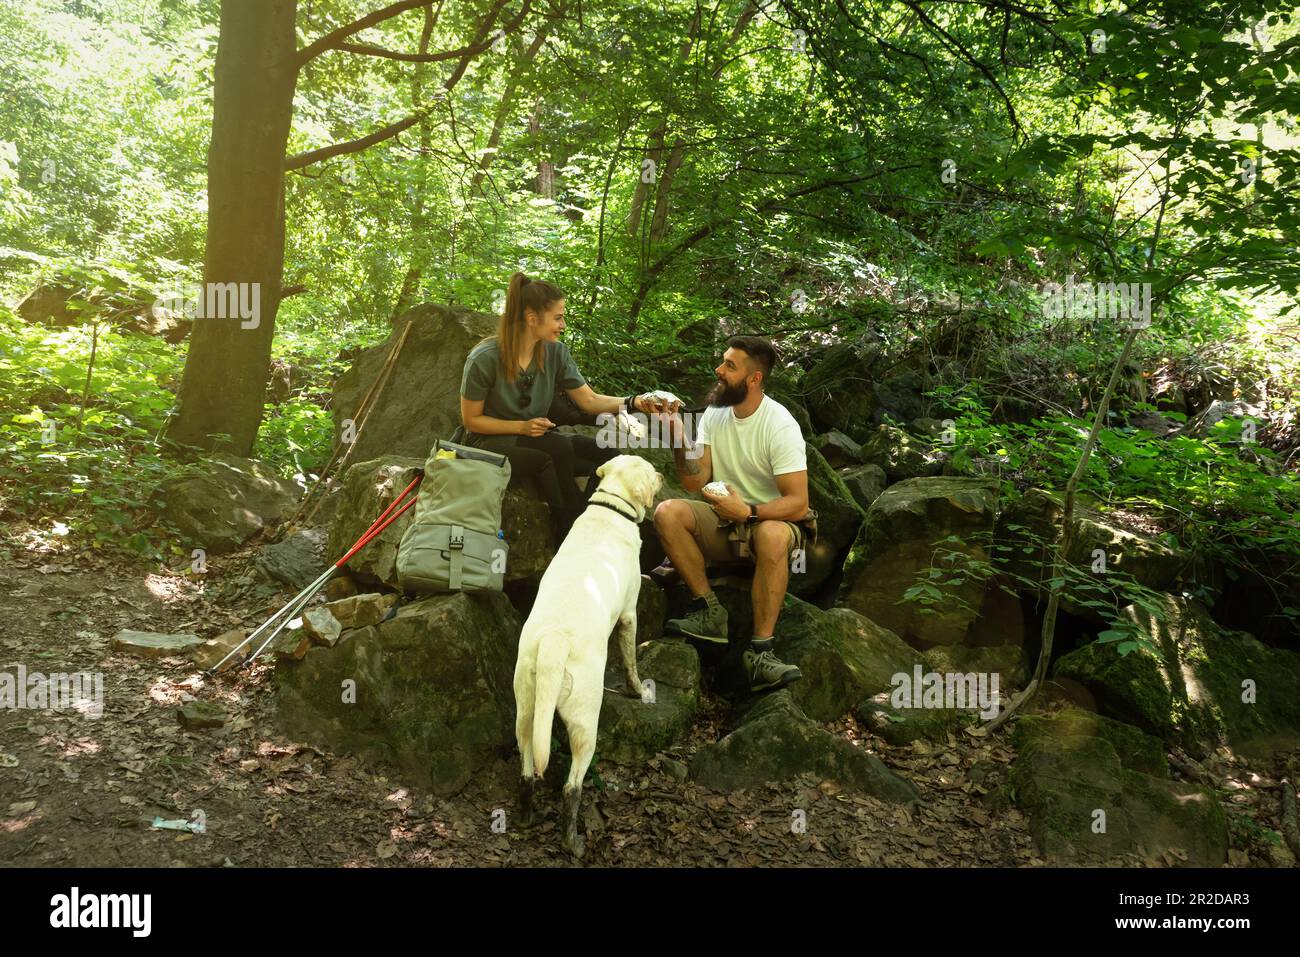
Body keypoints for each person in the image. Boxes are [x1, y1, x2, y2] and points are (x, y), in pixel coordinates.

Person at [459, 271, 676, 544]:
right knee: (557, 450)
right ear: (531, 318)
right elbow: (472, 421)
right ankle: (570, 529)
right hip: (489, 440)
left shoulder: (554, 352)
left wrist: (635, 402)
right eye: (558, 317)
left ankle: (595, 517)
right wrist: (522, 426)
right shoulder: (484, 358)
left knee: (608, 456)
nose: (563, 325)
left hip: (535, 437)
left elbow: (589, 400)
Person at [652, 336, 810, 692]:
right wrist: (678, 434)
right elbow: (694, 482)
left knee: (770, 533)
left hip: (772, 523)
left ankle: (761, 654)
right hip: (725, 519)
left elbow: (798, 503)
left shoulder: (779, 424)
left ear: (754, 379)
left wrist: (749, 511)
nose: (718, 371)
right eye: (722, 362)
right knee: (667, 512)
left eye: (729, 366)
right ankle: (709, 610)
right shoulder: (715, 413)